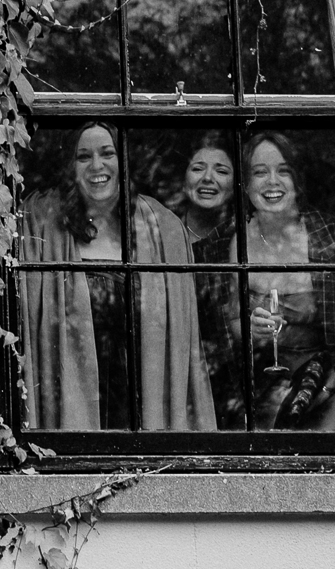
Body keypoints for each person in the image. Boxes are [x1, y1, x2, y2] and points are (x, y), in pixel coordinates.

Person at [16, 122, 218, 431]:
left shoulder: (162, 228)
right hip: (71, 396)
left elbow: (185, 346)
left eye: (107, 153)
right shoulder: (42, 222)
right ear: (71, 166)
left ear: (123, 161)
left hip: (139, 395)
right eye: (84, 156)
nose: (97, 165)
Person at [199, 132, 335, 430]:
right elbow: (216, 333)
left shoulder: (331, 236)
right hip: (253, 390)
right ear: (245, 184)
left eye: (283, 170)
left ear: (297, 180)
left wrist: (327, 386)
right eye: (260, 172)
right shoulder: (223, 244)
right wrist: (249, 329)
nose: (272, 181)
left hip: (330, 386)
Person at [171, 133, 237, 245]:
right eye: (197, 169)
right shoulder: (165, 230)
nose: (207, 178)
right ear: (183, 180)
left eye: (221, 171)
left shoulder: (245, 235)